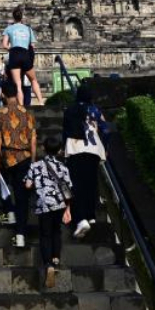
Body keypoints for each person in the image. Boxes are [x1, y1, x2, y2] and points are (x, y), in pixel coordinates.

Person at [0, 79, 36, 249]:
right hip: (24, 158)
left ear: (2, 93)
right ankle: (20, 235)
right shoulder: (27, 114)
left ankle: (9, 210)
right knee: (23, 198)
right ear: (16, 94)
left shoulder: (0, 115)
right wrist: (33, 162)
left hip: (6, 157)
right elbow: (33, 141)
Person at [24, 136, 73, 288]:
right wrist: (68, 209)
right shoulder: (63, 167)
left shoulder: (35, 166)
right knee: (56, 231)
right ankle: (56, 257)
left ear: (43, 148)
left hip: (44, 204)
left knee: (45, 234)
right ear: (59, 151)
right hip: (59, 204)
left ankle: (48, 264)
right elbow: (68, 189)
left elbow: (27, 184)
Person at [62, 87, 109, 239]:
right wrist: (105, 148)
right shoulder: (95, 110)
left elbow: (66, 130)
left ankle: (81, 218)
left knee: (77, 184)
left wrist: (64, 149)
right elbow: (106, 129)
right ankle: (91, 215)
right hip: (94, 149)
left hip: (76, 149)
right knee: (91, 183)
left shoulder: (70, 110)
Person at [2, 6, 45, 107]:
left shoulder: (9, 28)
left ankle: (21, 106)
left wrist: (11, 49)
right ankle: (41, 102)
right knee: (33, 80)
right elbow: (32, 45)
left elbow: (4, 45)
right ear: (22, 17)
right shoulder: (28, 29)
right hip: (25, 54)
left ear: (13, 17)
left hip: (14, 54)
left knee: (18, 84)